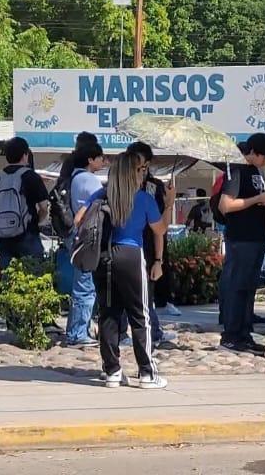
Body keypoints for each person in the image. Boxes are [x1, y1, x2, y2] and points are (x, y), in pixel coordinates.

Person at [79, 151, 171, 389]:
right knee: (140, 315)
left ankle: (112, 371)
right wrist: (170, 203)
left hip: (103, 257)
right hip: (130, 255)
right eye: (141, 170)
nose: (144, 173)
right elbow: (159, 229)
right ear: (133, 173)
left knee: (109, 314)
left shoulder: (102, 195)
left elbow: (80, 219)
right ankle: (147, 372)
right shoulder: (142, 198)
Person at [217, 133, 265, 353]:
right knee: (237, 287)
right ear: (253, 152)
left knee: (248, 288)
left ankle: (244, 333)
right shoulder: (236, 170)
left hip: (257, 235)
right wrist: (257, 199)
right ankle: (231, 335)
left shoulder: (256, 171)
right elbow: (226, 205)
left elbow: (252, 200)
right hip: (241, 237)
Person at [128, 141, 180, 336]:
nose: (142, 170)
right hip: (123, 246)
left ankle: (152, 330)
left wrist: (169, 203)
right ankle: (122, 332)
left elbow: (160, 227)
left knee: (146, 293)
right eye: (138, 165)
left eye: (145, 165)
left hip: (148, 244)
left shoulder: (154, 187)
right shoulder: (116, 186)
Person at [65, 142, 107, 347]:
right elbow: (98, 203)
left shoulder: (74, 177)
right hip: (87, 237)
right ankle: (78, 332)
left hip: (78, 235)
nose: (103, 161)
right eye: (100, 157)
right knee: (85, 286)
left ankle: (77, 329)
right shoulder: (89, 179)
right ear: (90, 159)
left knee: (83, 283)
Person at [0, 137, 49, 267]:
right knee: (34, 273)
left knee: (7, 275)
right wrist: (39, 221)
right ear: (25, 155)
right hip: (28, 233)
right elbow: (44, 206)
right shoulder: (31, 176)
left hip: (2, 236)